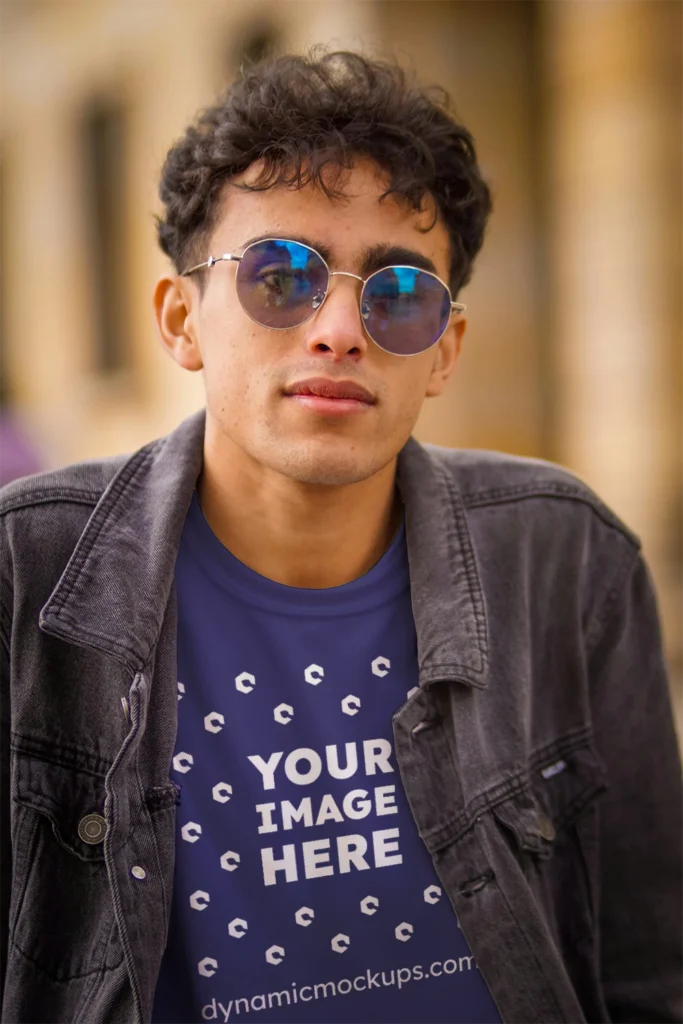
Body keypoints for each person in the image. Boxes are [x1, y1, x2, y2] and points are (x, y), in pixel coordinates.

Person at [1, 50, 681, 1024]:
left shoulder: (563, 557)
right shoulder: (26, 573)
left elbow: (647, 973)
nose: (337, 328)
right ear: (180, 318)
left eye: (398, 293)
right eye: (280, 276)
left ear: (443, 348)